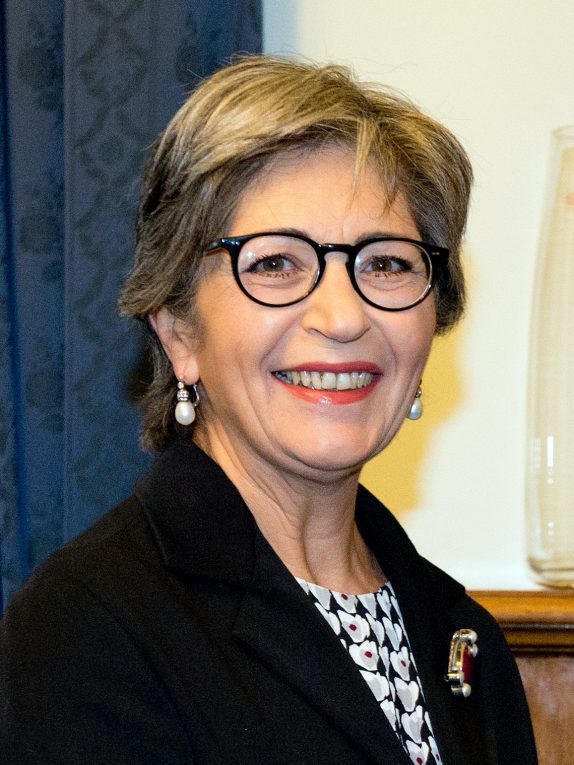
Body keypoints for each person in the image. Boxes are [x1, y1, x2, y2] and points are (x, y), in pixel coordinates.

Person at [0, 56, 536, 765]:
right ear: (178, 331)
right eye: (276, 263)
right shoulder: (86, 627)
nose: (343, 316)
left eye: (385, 263)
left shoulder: (463, 638)